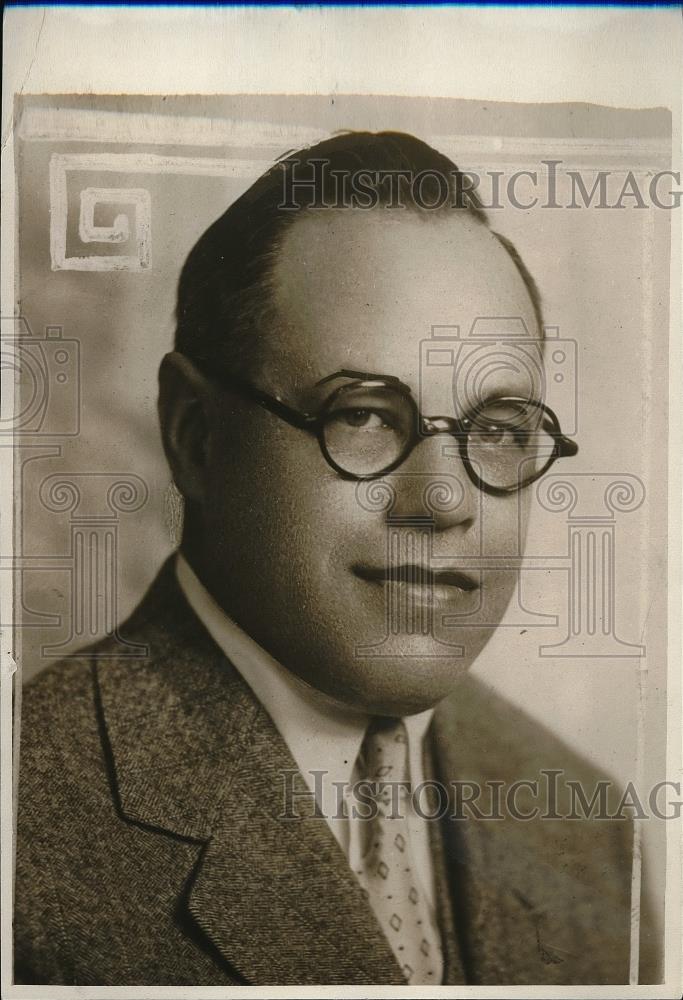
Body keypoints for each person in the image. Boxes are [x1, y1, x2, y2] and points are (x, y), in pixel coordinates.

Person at [14, 132, 654, 986]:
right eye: (363, 415)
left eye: (497, 431)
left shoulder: (590, 835)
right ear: (196, 438)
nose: (446, 500)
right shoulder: (25, 827)